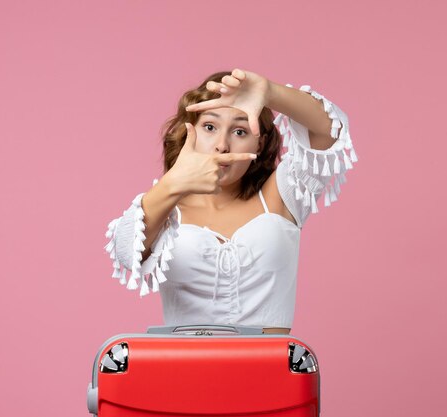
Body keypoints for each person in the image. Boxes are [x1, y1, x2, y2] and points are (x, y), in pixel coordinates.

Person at [104, 68, 357, 335]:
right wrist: (173, 183)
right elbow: (125, 250)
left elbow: (330, 130)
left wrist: (270, 93)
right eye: (210, 127)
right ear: (190, 132)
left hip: (270, 372)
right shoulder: (168, 208)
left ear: (258, 144)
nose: (222, 145)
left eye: (240, 131)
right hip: (185, 371)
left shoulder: (282, 195)